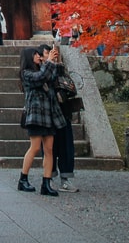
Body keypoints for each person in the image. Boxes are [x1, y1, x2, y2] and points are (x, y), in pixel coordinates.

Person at [16, 45, 66, 196]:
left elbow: (54, 76)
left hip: (48, 115)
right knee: (35, 147)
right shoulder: (27, 74)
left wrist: (55, 61)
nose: (39, 56)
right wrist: (49, 62)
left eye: (39, 54)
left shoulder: (43, 68)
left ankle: (46, 181)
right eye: (36, 55)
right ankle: (23, 179)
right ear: (29, 57)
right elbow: (40, 79)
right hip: (36, 115)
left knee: (49, 149)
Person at [48, 45, 81, 193]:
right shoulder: (41, 72)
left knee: (66, 148)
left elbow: (71, 87)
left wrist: (58, 65)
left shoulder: (62, 71)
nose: (54, 56)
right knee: (50, 149)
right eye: (49, 54)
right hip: (49, 116)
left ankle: (65, 179)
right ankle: (50, 177)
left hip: (63, 113)